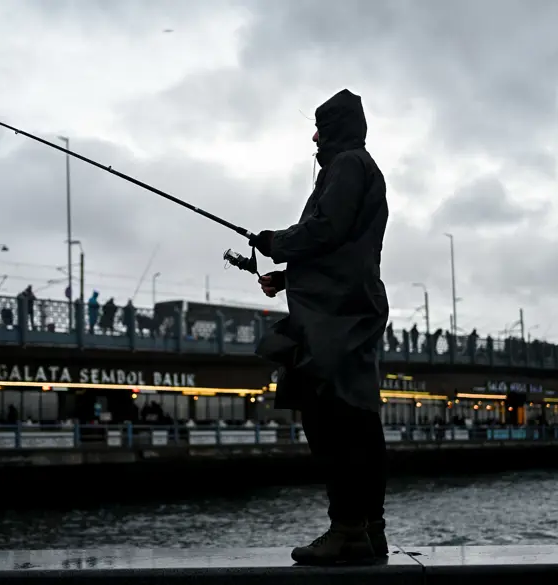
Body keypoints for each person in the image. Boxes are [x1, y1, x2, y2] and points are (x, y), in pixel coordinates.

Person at [249, 89, 389, 565]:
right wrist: (290, 276)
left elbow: (325, 229)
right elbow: (344, 250)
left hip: (336, 314)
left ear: (336, 129)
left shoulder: (348, 165)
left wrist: (274, 243)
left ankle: (346, 529)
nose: (313, 136)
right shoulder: (360, 167)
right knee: (359, 418)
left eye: (320, 127)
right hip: (350, 302)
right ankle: (370, 529)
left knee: (331, 419)